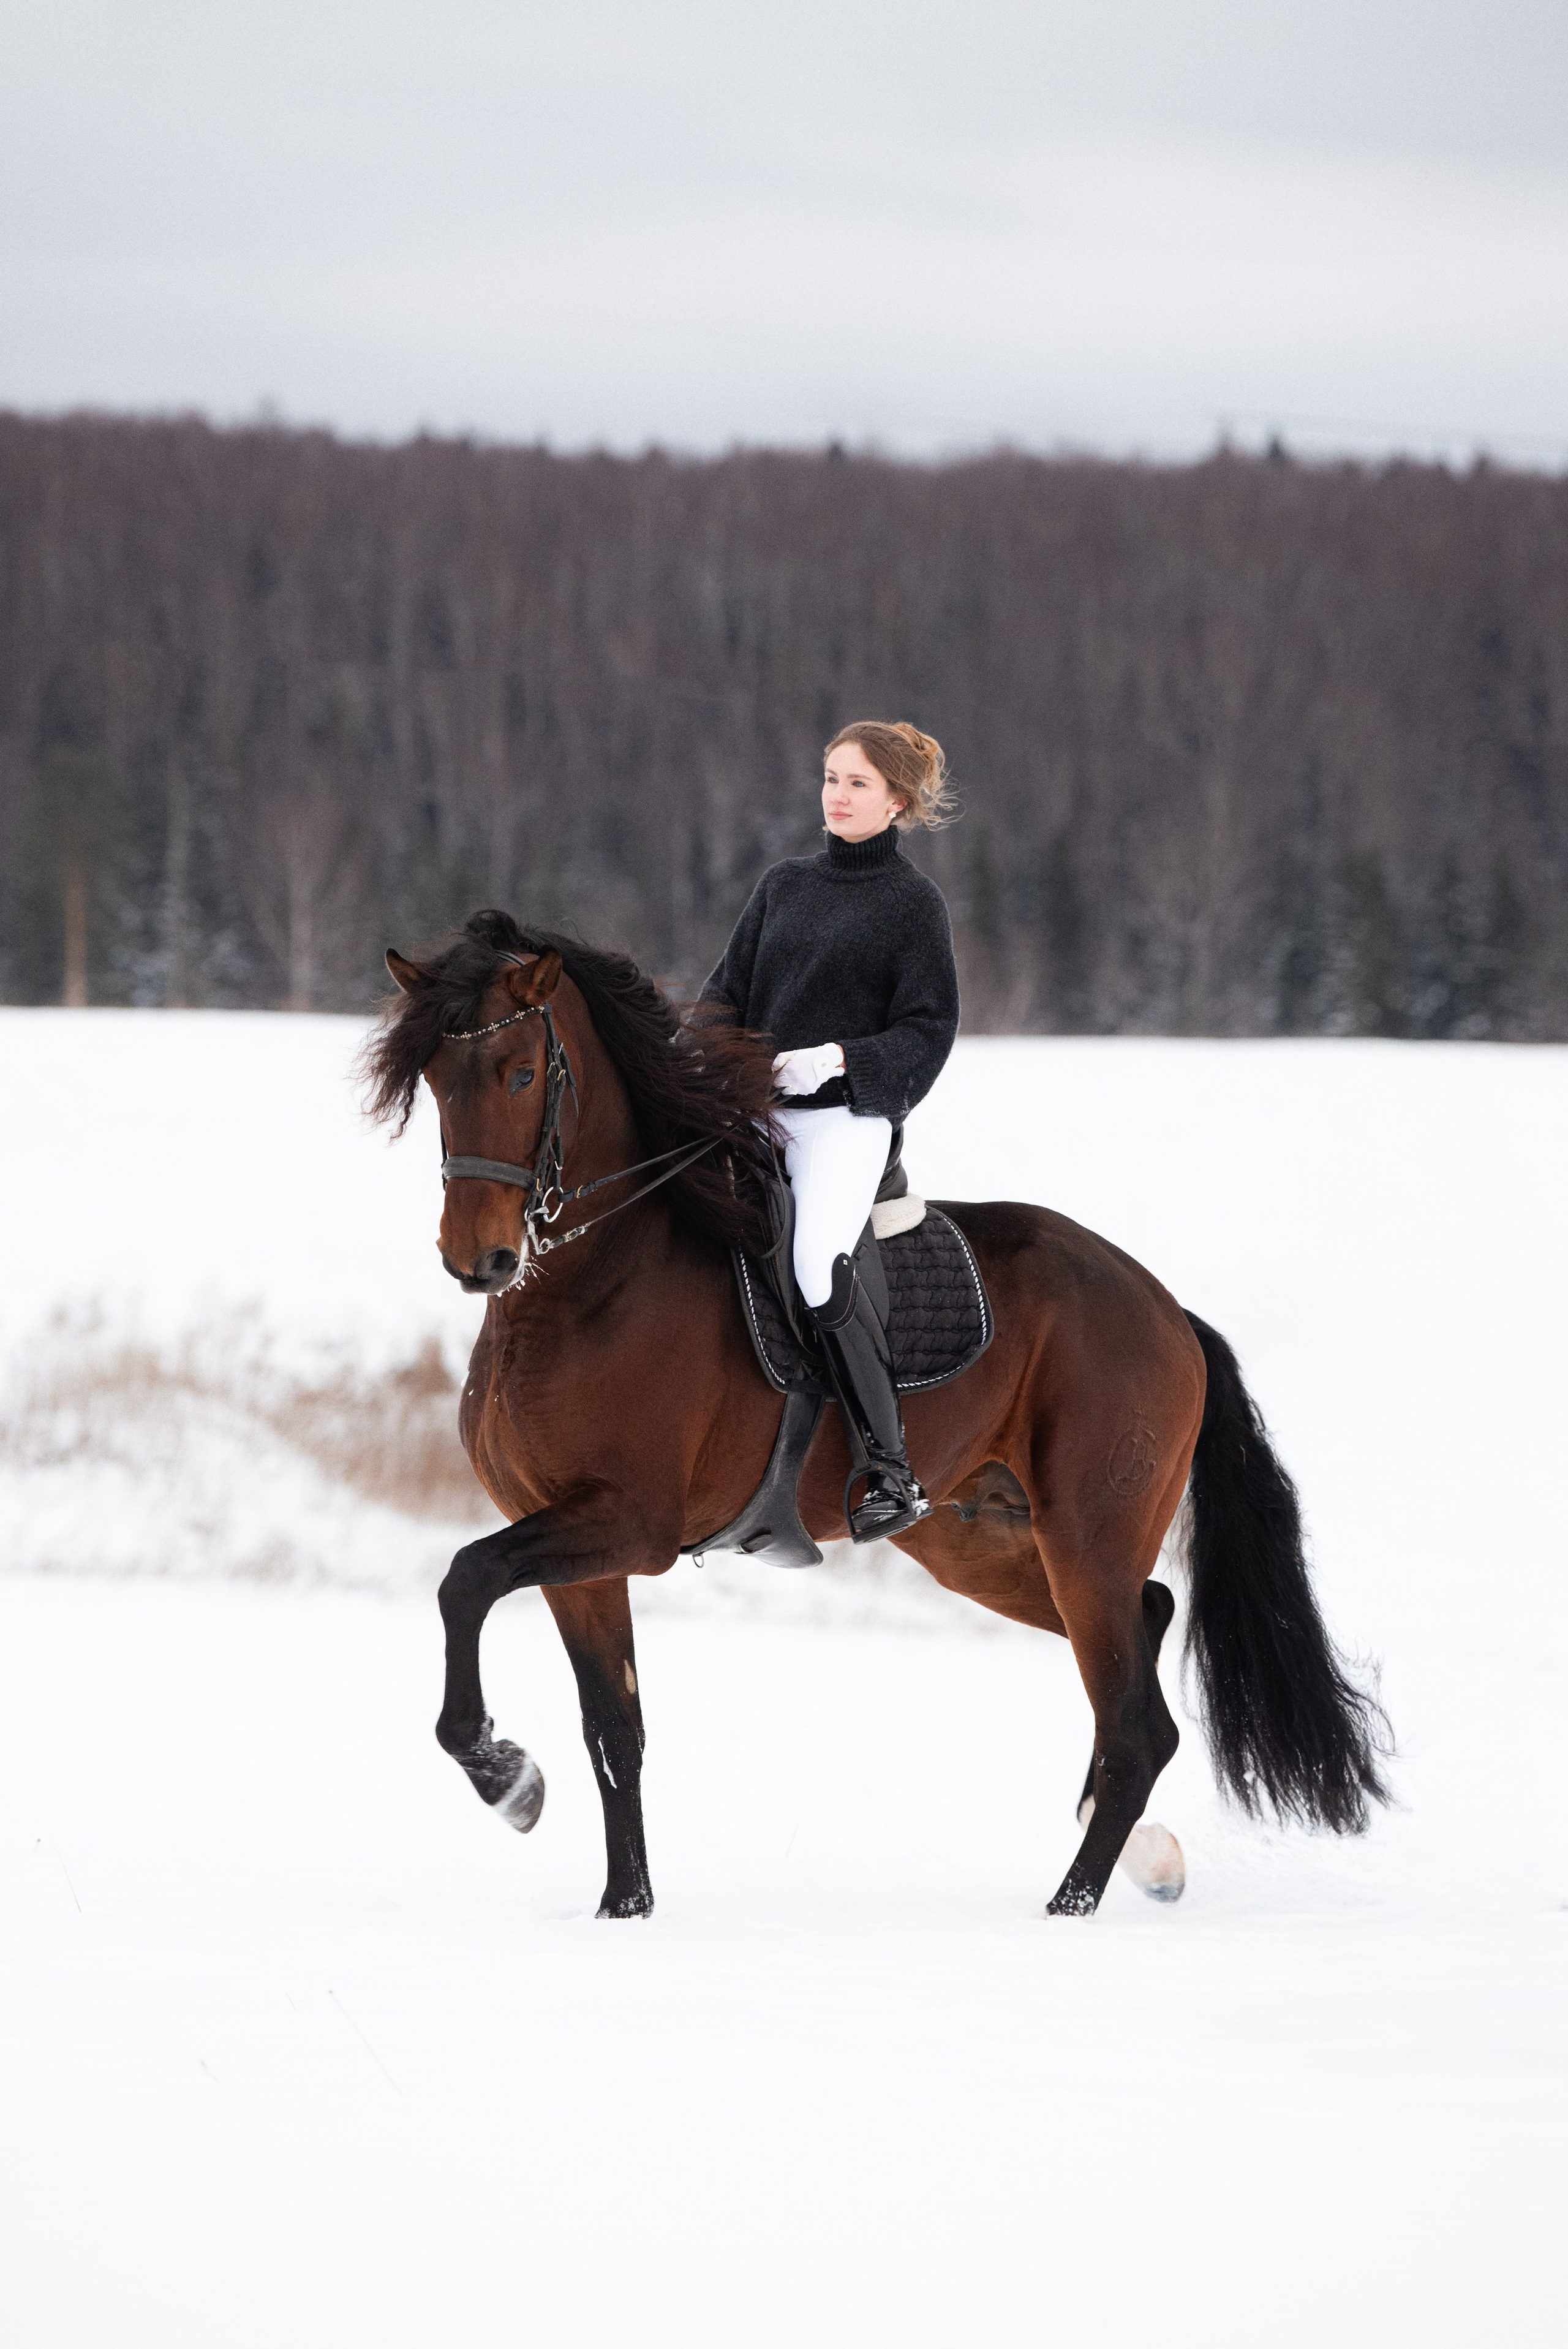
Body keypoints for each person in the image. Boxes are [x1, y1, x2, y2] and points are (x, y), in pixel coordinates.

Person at [701, 721, 960, 1542]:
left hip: (848, 1121)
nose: (836, 795)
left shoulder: (914, 907)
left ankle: (888, 1464)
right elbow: (722, 998)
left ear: (896, 800)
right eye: (830, 778)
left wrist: (841, 1061)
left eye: (855, 783)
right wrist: (695, 1061)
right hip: (761, 1110)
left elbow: (929, 1030)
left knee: (815, 1260)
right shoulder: (783, 885)